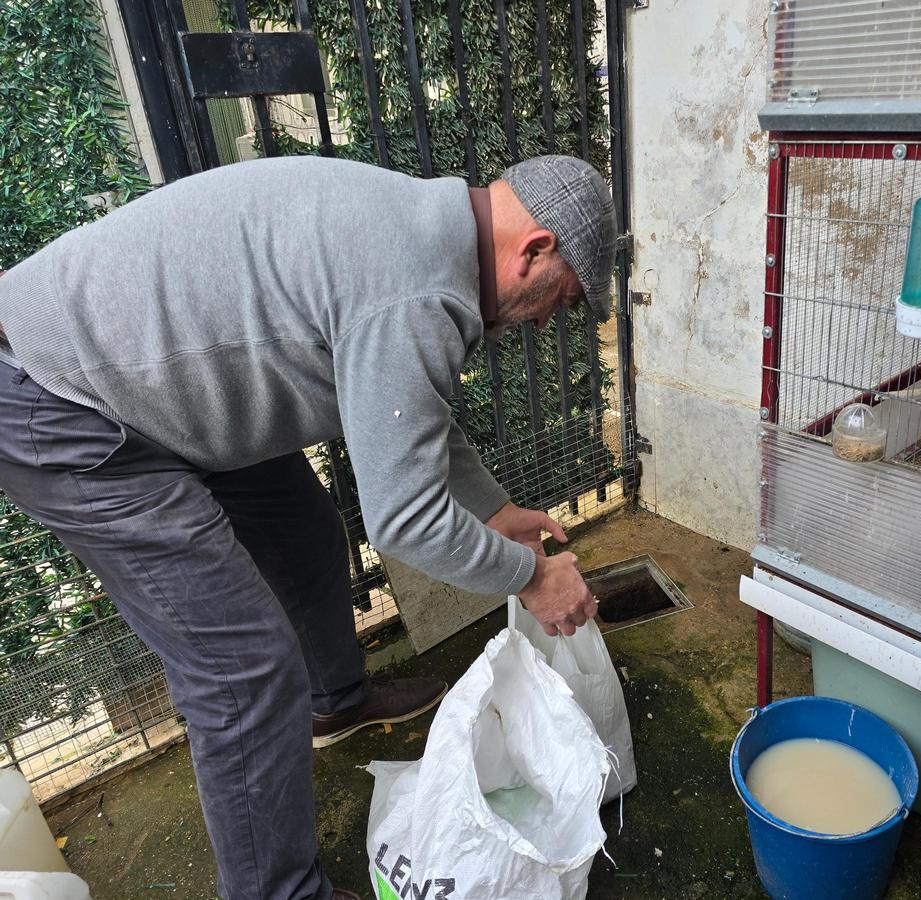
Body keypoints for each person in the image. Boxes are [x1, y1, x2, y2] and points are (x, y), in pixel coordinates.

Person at [0, 153, 616, 900]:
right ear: (535, 248)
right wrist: (535, 577)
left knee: (304, 533)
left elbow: (407, 412)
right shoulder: (422, 289)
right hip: (62, 398)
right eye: (565, 297)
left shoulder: (426, 239)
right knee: (242, 669)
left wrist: (492, 508)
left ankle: (335, 701)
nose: (550, 320)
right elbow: (406, 519)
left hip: (161, 388)